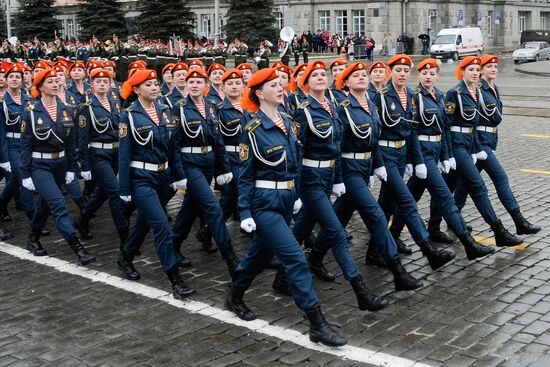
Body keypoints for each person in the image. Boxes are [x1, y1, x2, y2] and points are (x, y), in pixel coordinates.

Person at [225, 67, 347, 347]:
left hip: (286, 201)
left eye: (281, 84)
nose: (281, 88)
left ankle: (235, 294)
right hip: (264, 205)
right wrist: (244, 212)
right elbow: (245, 175)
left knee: (257, 256)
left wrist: (298, 195)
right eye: (273, 86)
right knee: (295, 258)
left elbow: (295, 164)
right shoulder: (252, 130)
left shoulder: (289, 121)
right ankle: (317, 324)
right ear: (259, 94)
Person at [311, 61, 423, 291]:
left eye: (364, 74)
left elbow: (373, 141)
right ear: (346, 82)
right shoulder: (342, 107)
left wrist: (376, 165)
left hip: (364, 169)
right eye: (357, 75)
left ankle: (314, 258)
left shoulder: (371, 104)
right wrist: (338, 177)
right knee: (376, 215)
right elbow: (336, 145)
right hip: (350, 170)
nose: (362, 78)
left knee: (339, 216)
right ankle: (398, 272)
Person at [290, 61, 388, 311]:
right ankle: (361, 292)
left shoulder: (333, 107)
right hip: (311, 179)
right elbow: (295, 153)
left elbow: (336, 148)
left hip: (327, 177)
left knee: (300, 230)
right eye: (315, 75)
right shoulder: (303, 111)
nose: (321, 78)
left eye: (324, 74)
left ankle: (281, 277)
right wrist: (296, 190)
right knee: (335, 231)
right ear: (306, 82)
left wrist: (338, 179)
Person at [388, 58, 495, 261]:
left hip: (435, 152)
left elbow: (444, 129)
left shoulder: (440, 96)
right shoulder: (415, 97)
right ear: (419, 76)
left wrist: (447, 156)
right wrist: (417, 160)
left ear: (438, 76)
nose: (429, 77)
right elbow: (413, 131)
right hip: (424, 155)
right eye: (425, 73)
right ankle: (468, 243)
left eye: (433, 73)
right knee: (445, 197)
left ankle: (392, 235)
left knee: (410, 197)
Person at [116, 69, 194, 299]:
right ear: (137, 89)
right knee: (161, 225)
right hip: (141, 178)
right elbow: (124, 154)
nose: (153, 88)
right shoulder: (129, 115)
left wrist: (177, 176)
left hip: (163, 177)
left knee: (143, 223)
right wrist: (125, 189)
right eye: (147, 85)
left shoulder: (165, 111)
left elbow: (173, 148)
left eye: (155, 83)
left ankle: (125, 257)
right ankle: (174, 278)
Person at [431, 56, 524, 247]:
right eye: (470, 70)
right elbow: (446, 127)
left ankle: (433, 226)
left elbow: (476, 124)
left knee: (448, 187)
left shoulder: (476, 92)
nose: (474, 73)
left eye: (476, 70)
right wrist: (446, 155)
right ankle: (499, 230)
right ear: (462, 71)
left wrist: (476, 149)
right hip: (457, 146)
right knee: (478, 187)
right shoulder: (454, 93)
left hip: (469, 145)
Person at [373, 54, 455, 270]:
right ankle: (429, 251)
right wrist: (377, 163)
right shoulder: (380, 96)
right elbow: (374, 133)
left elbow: (410, 131)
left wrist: (413, 160)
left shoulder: (410, 95)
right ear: (390, 72)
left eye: (405, 70)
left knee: (386, 205)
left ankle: (374, 251)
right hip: (386, 155)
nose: (402, 74)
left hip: (401, 157)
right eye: (398, 70)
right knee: (408, 202)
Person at [452, 55, 540, 236]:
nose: (492, 69)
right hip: (479, 143)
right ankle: (519, 220)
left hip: (488, 141)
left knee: (465, 183)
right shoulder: (477, 89)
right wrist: (475, 146)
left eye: (495, 66)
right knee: (500, 178)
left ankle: (453, 216)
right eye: (488, 66)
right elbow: (473, 121)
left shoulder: (494, 88)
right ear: (481, 71)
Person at [21, 68, 96, 265]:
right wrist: (25, 173)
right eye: (50, 82)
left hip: (61, 165)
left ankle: (33, 238)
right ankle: (78, 249)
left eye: (57, 81)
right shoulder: (30, 113)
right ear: (40, 87)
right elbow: (25, 146)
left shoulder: (66, 110)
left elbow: (71, 144)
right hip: (40, 166)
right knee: (58, 205)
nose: (55, 84)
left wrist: (72, 168)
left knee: (45, 205)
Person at [170, 68, 240, 276]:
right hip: (190, 164)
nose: (193, 85)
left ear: (205, 84)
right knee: (211, 205)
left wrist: (223, 168)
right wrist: (179, 174)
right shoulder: (179, 108)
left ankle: (173, 244)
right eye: (190, 81)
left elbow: (218, 140)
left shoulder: (211, 107)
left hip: (208, 163)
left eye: (198, 81)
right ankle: (229, 256)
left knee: (190, 207)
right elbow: (174, 144)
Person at [75, 68, 128, 247]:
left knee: (102, 192)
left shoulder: (114, 102)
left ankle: (83, 219)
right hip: (98, 155)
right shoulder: (87, 107)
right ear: (91, 85)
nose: (103, 84)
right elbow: (82, 139)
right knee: (114, 191)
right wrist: (84, 165)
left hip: (115, 153)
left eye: (106, 81)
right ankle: (125, 236)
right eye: (98, 81)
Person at [0, 64, 31, 234]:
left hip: (27, 145)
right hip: (12, 146)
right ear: (6, 80)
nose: (14, 79)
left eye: (18, 77)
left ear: (22, 80)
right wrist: (4, 159)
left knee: (13, 181)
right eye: (11, 76)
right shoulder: (2, 102)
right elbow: (1, 134)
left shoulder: (28, 100)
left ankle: (2, 204)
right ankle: (33, 217)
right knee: (23, 181)